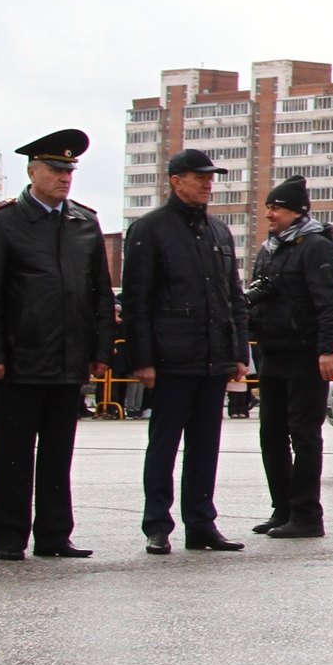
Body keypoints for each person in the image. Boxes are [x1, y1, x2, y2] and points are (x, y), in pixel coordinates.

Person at [0, 130, 115, 560]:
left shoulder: (83, 222)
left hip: (69, 359)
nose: (64, 178)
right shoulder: (3, 221)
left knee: (58, 455)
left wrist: (100, 351)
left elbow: (100, 295)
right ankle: (9, 536)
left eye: (69, 171)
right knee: (12, 455)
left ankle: (54, 535)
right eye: (55, 170)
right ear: (32, 170)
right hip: (21, 358)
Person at [120, 148, 251, 554]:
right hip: (171, 357)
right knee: (164, 444)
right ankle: (157, 524)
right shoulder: (150, 229)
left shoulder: (218, 232)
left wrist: (239, 353)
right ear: (176, 181)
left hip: (213, 357)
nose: (208, 184)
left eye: (211, 178)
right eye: (200, 177)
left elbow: (233, 297)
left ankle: (201, 523)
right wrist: (142, 359)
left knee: (205, 446)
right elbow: (137, 300)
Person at [244, 175, 333, 538]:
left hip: (305, 353)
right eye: (269, 207)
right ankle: (282, 508)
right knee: (270, 434)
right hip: (273, 352)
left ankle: (306, 515)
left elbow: (330, 301)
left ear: (297, 212)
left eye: (277, 208)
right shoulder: (271, 248)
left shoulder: (315, 246)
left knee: (303, 435)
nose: (269, 214)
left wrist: (328, 349)